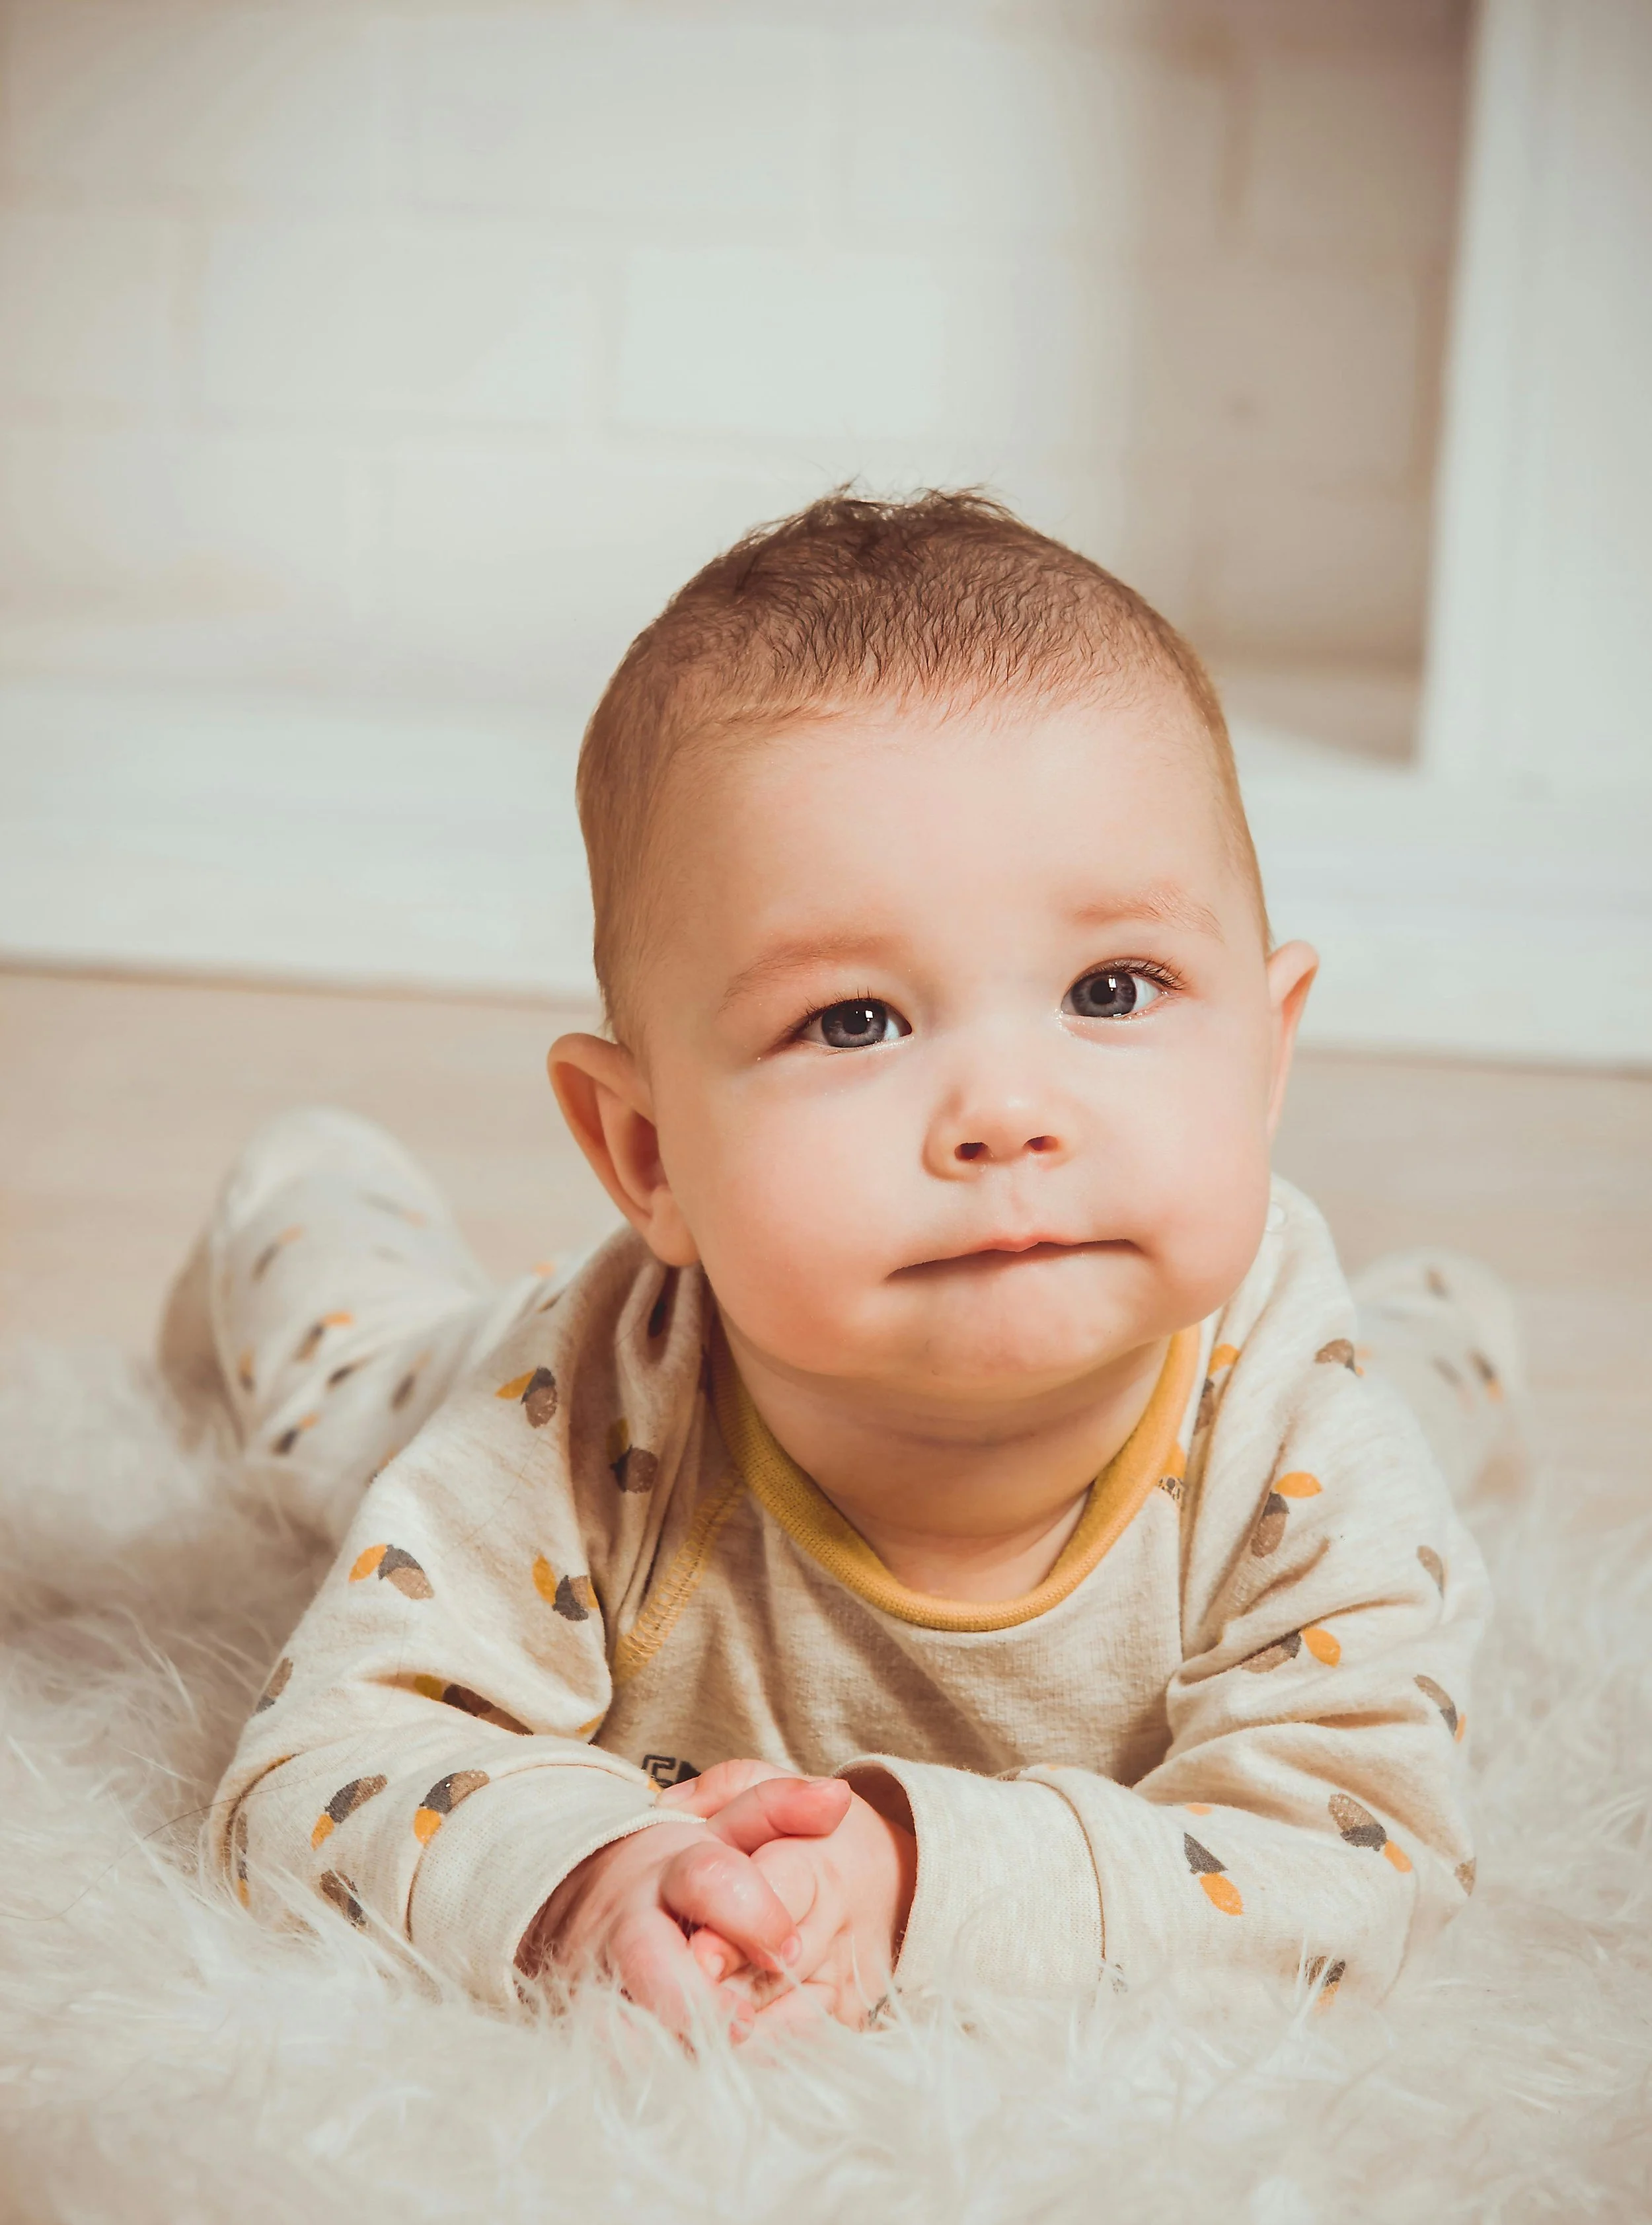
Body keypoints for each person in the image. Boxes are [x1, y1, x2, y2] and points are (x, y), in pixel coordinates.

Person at [173, 492, 1519, 2043]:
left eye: (1111, 986)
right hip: (502, 1357)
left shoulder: (1291, 1427)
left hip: (1294, 1374)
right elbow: (317, 1768)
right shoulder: (573, 1416)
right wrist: (579, 1870)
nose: (1007, 1114)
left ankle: (1442, 1330)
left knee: (1399, 1437)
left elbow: (1355, 1863)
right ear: (649, 1156)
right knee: (333, 1406)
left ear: (1266, 1059)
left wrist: (920, 1883)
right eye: (853, 1022)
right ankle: (314, 1182)